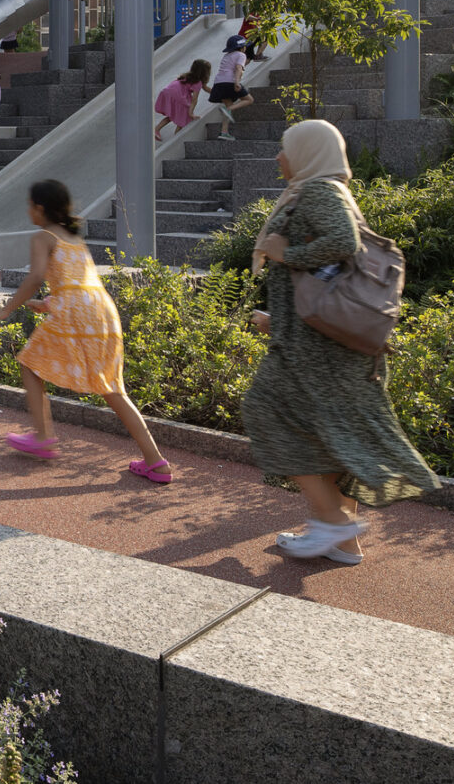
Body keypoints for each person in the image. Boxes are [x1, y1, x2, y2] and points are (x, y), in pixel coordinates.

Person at [242, 120, 438, 562]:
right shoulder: (327, 191)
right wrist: (279, 317)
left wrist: (283, 254)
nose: (279, 157)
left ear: (309, 152)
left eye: (285, 148)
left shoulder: (317, 192)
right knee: (331, 437)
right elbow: (329, 279)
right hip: (325, 346)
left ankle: (333, 522)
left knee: (264, 410)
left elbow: (341, 244)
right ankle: (343, 541)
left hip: (315, 355)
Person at [0, 179, 171, 482]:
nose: (29, 211)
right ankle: (156, 462)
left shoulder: (42, 237)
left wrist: (6, 309)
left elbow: (35, 277)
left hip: (75, 311)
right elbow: (77, 283)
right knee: (113, 387)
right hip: (102, 311)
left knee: (29, 363)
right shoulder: (75, 239)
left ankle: (43, 437)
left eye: (29, 205)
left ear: (39, 208)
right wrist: (48, 304)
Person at [208, 33, 255, 141]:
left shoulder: (227, 55)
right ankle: (227, 108)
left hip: (219, 83)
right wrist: (237, 82)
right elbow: (238, 68)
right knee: (249, 99)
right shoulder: (241, 55)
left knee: (228, 106)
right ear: (242, 47)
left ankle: (224, 132)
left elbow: (234, 67)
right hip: (230, 81)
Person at [153, 59, 211, 143]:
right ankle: (177, 137)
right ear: (204, 73)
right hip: (178, 95)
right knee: (185, 116)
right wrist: (191, 113)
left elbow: (206, 88)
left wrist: (217, 94)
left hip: (168, 90)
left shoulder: (188, 76)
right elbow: (194, 100)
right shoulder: (197, 82)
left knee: (172, 115)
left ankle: (156, 129)